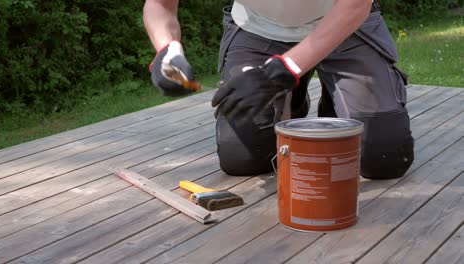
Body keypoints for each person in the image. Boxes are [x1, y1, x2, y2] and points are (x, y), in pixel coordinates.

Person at [144, 0, 414, 179]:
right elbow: (160, 5)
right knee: (243, 158)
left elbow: (356, 6)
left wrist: (285, 70)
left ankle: (333, 97)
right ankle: (293, 96)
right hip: (258, 29)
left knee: (384, 157)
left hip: (346, 25)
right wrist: (167, 50)